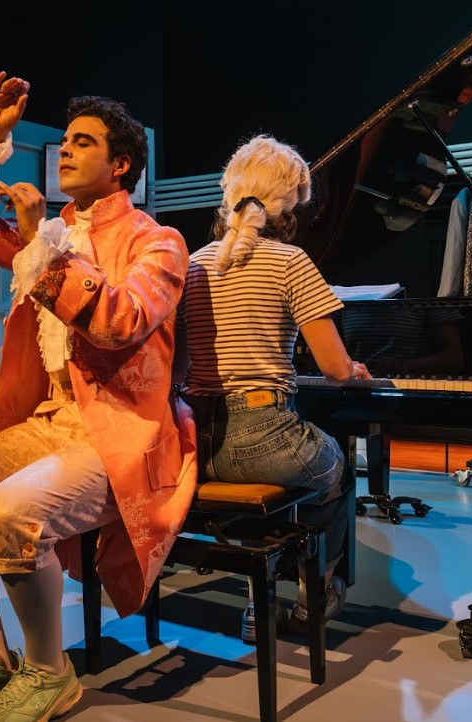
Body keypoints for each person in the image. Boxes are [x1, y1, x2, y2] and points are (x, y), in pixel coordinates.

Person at [0, 71, 196, 722]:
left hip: (122, 432)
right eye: (65, 140)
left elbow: (120, 322)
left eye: (83, 141)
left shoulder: (157, 242)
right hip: (50, 421)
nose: (65, 149)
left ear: (120, 164)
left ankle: (49, 671)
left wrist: (42, 247)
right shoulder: (50, 231)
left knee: (12, 512)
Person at [173, 134, 371, 644]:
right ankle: (313, 598)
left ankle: (256, 604)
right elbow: (334, 368)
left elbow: (178, 367)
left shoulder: (192, 264)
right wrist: (354, 368)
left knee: (275, 489)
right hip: (264, 439)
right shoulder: (290, 262)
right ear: (291, 207)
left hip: (195, 444)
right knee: (336, 471)